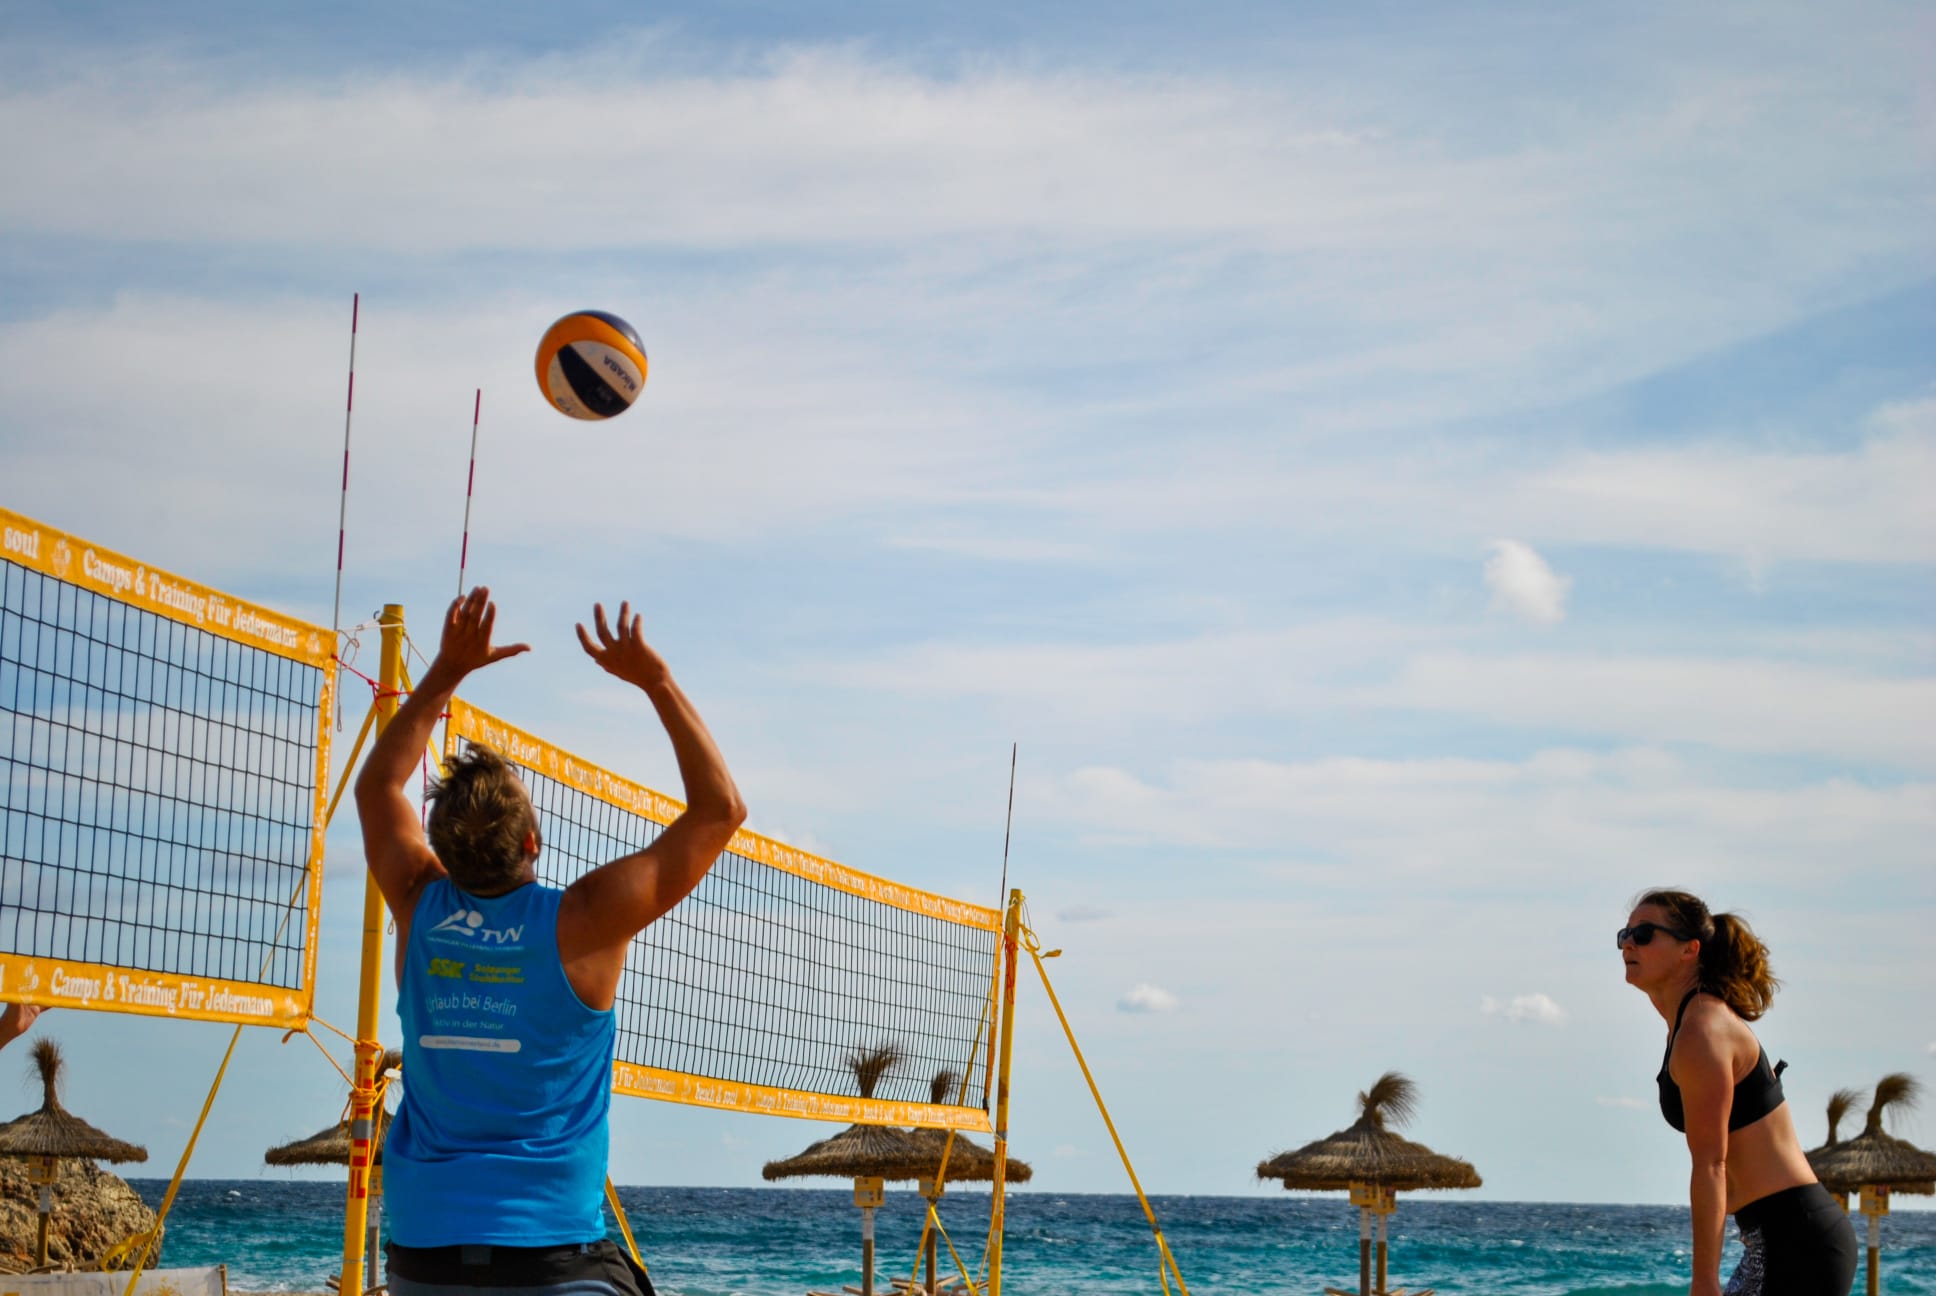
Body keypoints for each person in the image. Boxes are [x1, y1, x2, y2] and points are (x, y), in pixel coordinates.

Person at [357, 588, 746, 1294]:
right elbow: (721, 809)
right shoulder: (585, 919)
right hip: (552, 1260)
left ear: (442, 847)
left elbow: (379, 785)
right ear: (532, 842)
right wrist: (655, 680)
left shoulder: (417, 902)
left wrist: (447, 670)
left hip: (422, 1256)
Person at [1621, 890, 1856, 1296]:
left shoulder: (1703, 1030)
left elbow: (1711, 1164)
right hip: (1777, 1238)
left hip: (1798, 1241)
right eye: (1624, 934)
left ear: (1689, 949)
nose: (1628, 943)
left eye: (1643, 934)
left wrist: (1704, 1281)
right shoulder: (1688, 1023)